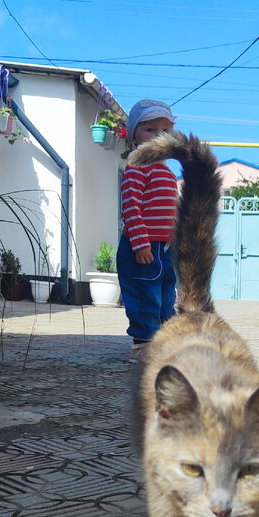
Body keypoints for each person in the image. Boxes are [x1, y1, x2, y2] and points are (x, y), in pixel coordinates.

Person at [117, 99, 178, 360]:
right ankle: (143, 344)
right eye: (150, 130)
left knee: (166, 295)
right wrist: (140, 243)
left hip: (164, 248)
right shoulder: (137, 167)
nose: (158, 136)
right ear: (134, 138)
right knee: (145, 296)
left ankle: (165, 340)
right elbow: (131, 207)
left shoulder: (167, 172)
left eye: (165, 131)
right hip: (142, 247)